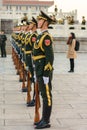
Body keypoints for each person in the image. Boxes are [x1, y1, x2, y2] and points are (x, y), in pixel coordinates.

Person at [33, 11, 55, 129]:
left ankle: (46, 120)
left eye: (40, 20)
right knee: (42, 94)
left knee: (46, 95)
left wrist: (46, 73)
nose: (38, 22)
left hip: (44, 71)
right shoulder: (41, 35)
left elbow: (50, 57)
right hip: (39, 69)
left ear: (45, 22)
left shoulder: (46, 37)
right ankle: (43, 118)